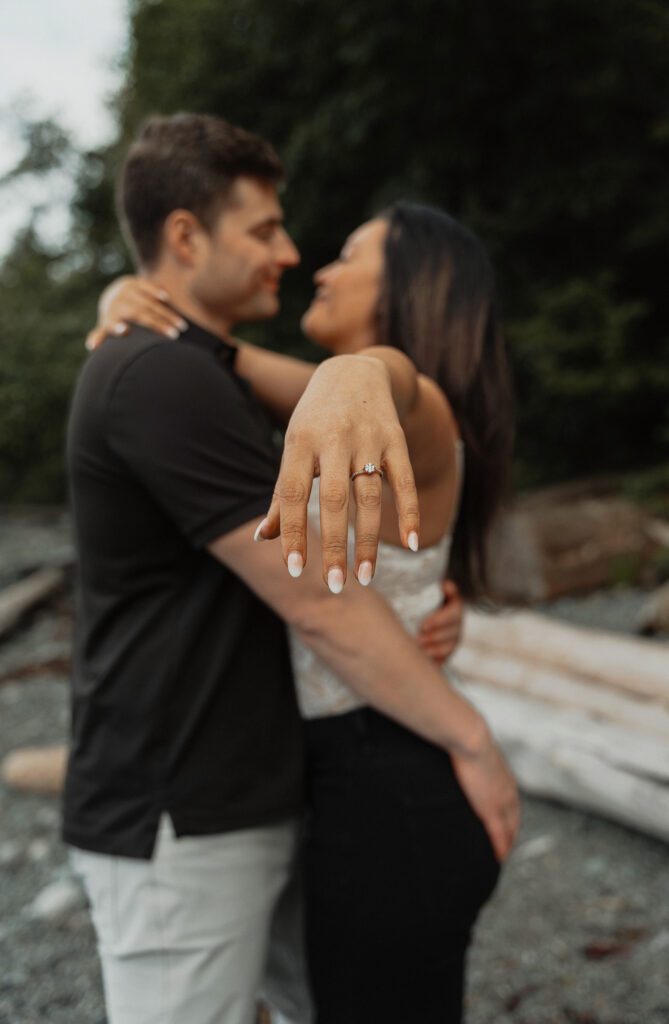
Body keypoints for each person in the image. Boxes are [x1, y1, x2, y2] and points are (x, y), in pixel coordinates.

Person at [90, 138, 519, 1023]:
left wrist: (362, 371)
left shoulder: (417, 401)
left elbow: (394, 387)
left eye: (350, 255)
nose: (315, 265)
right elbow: (219, 359)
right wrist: (128, 300)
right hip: (337, 774)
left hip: (391, 775)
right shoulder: (293, 389)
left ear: (409, 288)